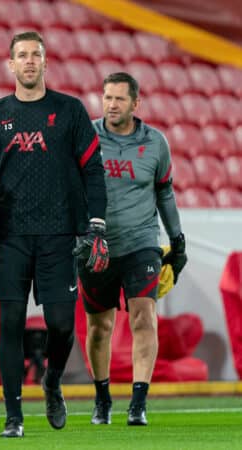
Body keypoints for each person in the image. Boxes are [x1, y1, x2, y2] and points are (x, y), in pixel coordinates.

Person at [0, 31, 109, 438]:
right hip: (11, 235)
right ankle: (13, 417)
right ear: (10, 65)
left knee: (61, 324)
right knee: (11, 322)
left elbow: (93, 171)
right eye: (22, 55)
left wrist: (97, 225)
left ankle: (51, 381)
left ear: (45, 63)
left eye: (36, 55)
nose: (29, 61)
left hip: (60, 235)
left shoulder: (70, 111)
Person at [80, 72, 187, 427]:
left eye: (119, 99)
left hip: (142, 243)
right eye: (106, 97)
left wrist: (178, 238)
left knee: (144, 315)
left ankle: (138, 402)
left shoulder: (156, 142)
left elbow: (164, 192)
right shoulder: (86, 136)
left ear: (135, 103)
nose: (111, 105)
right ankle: (102, 397)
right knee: (99, 327)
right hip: (97, 246)